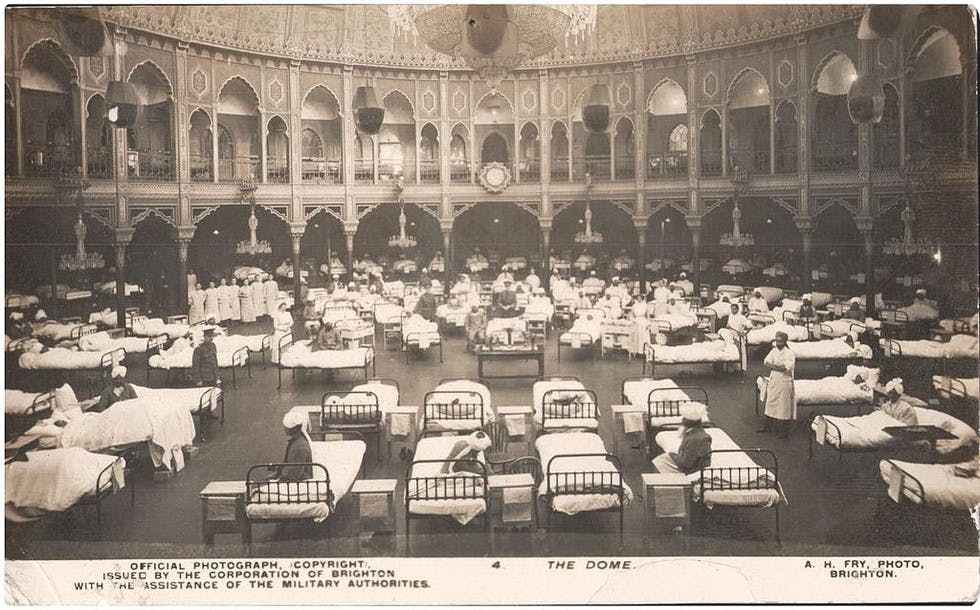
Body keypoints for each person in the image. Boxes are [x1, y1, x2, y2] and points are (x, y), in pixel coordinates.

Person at [651, 403, 712, 475]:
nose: (682, 420)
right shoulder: (695, 432)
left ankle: (662, 482)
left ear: (692, 422)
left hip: (693, 470)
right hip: (691, 464)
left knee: (659, 461)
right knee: (662, 458)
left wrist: (672, 455)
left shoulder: (694, 439)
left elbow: (686, 463)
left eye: (685, 418)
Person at [759, 330, 795, 437]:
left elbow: (787, 367)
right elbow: (766, 362)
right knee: (770, 402)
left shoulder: (789, 353)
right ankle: (768, 426)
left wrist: (773, 365)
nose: (778, 344)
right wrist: (779, 367)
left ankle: (784, 432)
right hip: (774, 380)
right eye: (777, 341)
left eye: (780, 342)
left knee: (784, 406)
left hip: (784, 382)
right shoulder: (773, 351)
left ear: (785, 342)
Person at [277, 411, 313, 481]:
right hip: (299, 478)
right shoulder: (298, 441)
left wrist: (279, 478)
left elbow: (294, 474)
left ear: (291, 429)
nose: (284, 428)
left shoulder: (299, 447)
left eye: (285, 427)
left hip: (300, 482)